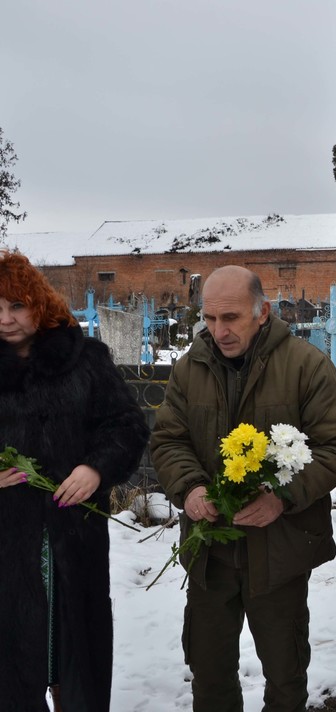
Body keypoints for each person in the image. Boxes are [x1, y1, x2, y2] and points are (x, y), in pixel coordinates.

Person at [150, 265, 336, 712]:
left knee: (285, 675)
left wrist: (282, 497)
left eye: (231, 318)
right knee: (209, 673)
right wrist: (189, 489)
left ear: (262, 312)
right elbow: (169, 440)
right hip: (210, 553)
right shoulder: (190, 369)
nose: (218, 330)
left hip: (279, 552)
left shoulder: (305, 365)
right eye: (209, 318)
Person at [0, 250, 149, 712]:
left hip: (74, 534)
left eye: (16, 306)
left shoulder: (85, 361)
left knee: (77, 649)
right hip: (7, 537)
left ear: (39, 303)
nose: (4, 319)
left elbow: (126, 425)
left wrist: (96, 468)